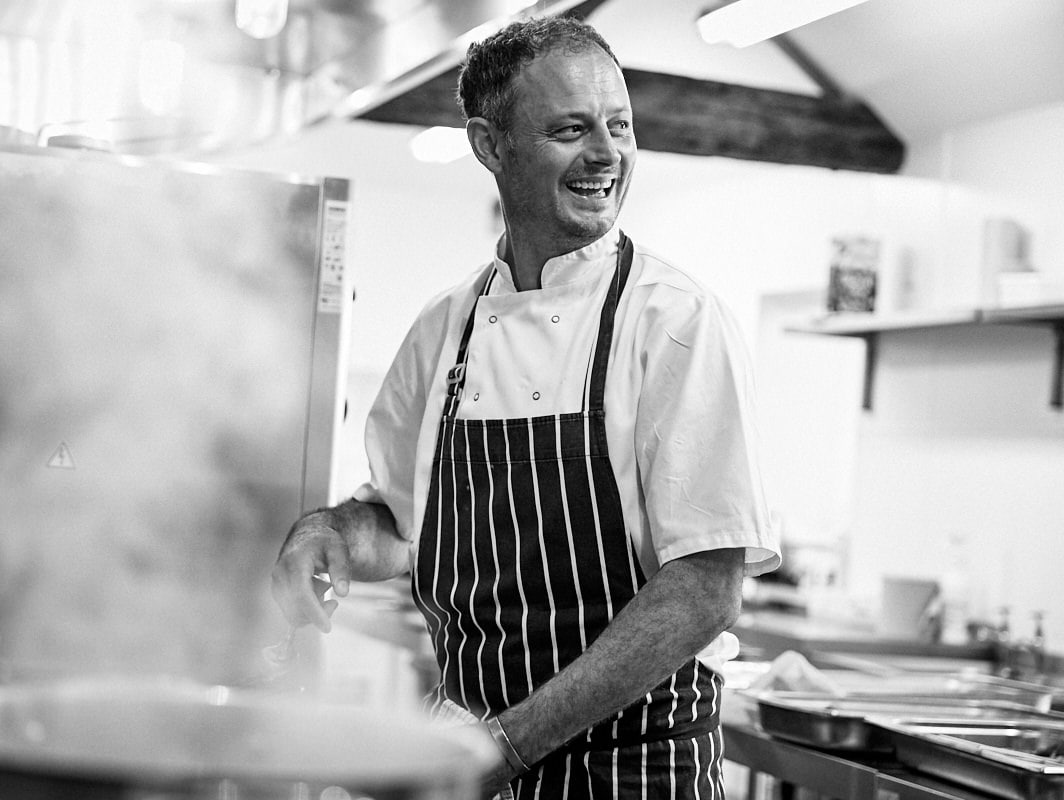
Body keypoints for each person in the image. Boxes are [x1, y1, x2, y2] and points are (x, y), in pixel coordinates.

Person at [271, 15, 780, 799]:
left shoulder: (674, 321)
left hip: (634, 774)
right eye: (571, 129)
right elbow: (399, 524)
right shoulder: (446, 327)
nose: (607, 154)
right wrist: (330, 532)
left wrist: (505, 746)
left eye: (619, 126)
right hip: (476, 758)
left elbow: (704, 590)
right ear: (490, 144)